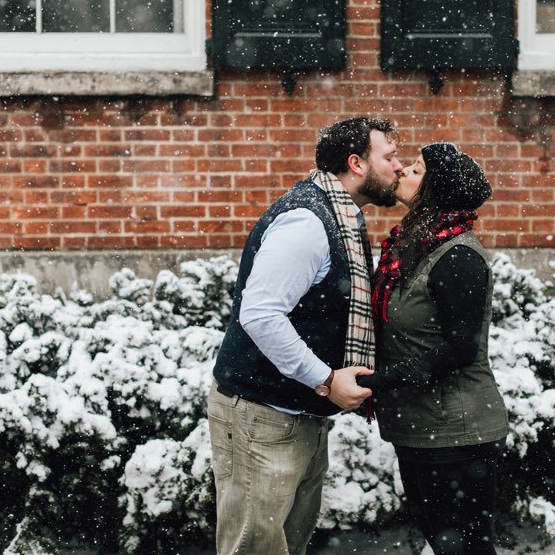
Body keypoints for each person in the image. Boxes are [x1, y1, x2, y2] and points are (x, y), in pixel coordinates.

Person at [207, 117, 404, 555]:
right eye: (389, 157)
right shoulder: (308, 222)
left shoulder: (339, 215)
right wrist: (326, 379)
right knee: (254, 549)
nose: (398, 167)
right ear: (356, 164)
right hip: (261, 415)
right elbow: (259, 314)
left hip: (297, 413)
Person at [359, 143, 510, 555]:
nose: (404, 170)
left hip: (455, 434)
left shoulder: (457, 256)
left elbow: (461, 349)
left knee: (464, 549)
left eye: (417, 169)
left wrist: (379, 382)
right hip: (420, 427)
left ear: (435, 190)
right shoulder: (413, 245)